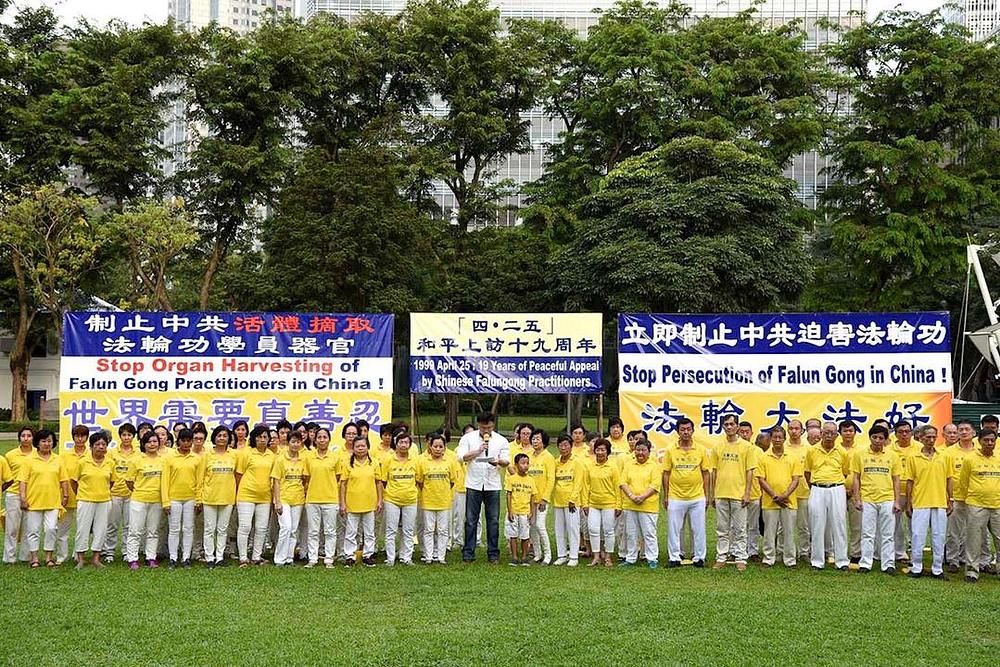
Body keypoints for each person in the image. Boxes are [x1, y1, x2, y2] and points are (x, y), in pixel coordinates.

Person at [455, 412, 509, 564]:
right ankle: (468, 553)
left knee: (493, 520)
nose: (487, 430)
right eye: (484, 427)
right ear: (478, 425)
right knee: (471, 520)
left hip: (492, 484)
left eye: (490, 427)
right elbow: (461, 457)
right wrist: (478, 450)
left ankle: (493, 553)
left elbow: (507, 461)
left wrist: (498, 461)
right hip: (473, 483)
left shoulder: (501, 440)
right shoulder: (468, 438)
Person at [851, 425, 901, 574]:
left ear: (886, 440)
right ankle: (865, 563)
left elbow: (896, 480)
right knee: (867, 533)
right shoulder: (860, 455)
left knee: (887, 533)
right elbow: (856, 478)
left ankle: (888, 564)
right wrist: (857, 498)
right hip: (867, 498)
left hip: (887, 498)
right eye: (875, 437)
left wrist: (897, 501)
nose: (878, 441)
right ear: (870, 437)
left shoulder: (892, 456)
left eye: (881, 438)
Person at [662, 417, 710, 567]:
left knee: (699, 529)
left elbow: (706, 473)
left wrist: (707, 495)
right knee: (674, 529)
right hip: (676, 496)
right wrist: (666, 495)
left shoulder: (701, 449)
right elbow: (666, 473)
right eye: (682, 429)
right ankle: (674, 557)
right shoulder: (670, 449)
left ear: (693, 431)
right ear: (677, 431)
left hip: (697, 496)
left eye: (689, 429)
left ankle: (699, 557)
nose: (686, 432)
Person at [906, 429, 954, 579]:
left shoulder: (944, 456)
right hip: (920, 502)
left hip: (940, 502)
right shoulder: (913, 457)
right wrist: (908, 502)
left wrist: (950, 499)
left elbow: (949, 479)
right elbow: (909, 481)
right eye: (928, 437)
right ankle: (916, 567)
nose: (931, 439)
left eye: (934, 437)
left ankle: (937, 569)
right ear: (920, 438)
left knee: (939, 536)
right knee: (917, 535)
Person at [711, 414, 756, 571]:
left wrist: (747, 493)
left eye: (732, 424)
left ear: (737, 426)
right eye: (726, 424)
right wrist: (712, 494)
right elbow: (714, 472)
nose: (729, 427)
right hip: (721, 493)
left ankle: (741, 557)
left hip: (739, 494)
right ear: (723, 426)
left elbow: (750, 471)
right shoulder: (717, 446)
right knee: (722, 528)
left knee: (740, 528)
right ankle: (721, 556)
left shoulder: (747, 447)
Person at [18, 429, 68, 567]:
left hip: (53, 501)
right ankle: (34, 558)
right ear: (37, 443)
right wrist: (23, 498)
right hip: (33, 501)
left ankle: (48, 557)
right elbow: (23, 481)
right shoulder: (29, 460)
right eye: (44, 441)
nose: (47, 444)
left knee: (51, 529)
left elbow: (64, 479)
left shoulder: (58, 459)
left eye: (50, 441)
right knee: (33, 530)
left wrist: (65, 495)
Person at [805, 421, 850, 571]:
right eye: (826, 433)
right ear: (821, 434)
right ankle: (817, 561)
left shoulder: (842, 452)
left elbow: (845, 471)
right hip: (817, 488)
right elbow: (807, 472)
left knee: (839, 524)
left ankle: (842, 560)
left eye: (832, 433)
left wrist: (834, 483)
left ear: (837, 435)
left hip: (837, 488)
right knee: (817, 524)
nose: (829, 436)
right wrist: (816, 485)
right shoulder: (812, 451)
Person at [757, 426, 801, 568]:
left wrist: (785, 495)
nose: (777, 440)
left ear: (784, 438)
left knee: (788, 532)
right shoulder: (763, 457)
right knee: (769, 532)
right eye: (774, 437)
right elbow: (761, 479)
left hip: (789, 501)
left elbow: (796, 479)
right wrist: (775, 496)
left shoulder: (793, 457)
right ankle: (769, 558)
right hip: (770, 501)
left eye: (780, 437)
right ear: (770, 439)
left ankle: (790, 560)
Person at [960, 428, 1000, 583]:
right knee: (974, 539)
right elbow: (963, 482)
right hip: (976, 505)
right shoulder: (970, 459)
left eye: (992, 440)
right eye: (986, 440)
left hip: (997, 504)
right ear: (979, 441)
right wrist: (969, 500)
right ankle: (972, 571)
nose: (989, 443)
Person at [71, 432, 115, 569]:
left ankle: (96, 558)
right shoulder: (83, 462)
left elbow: (111, 482)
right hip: (85, 500)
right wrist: (83, 494)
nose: (100, 447)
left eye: (103, 444)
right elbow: (74, 481)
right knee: (82, 529)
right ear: (91, 446)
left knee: (101, 530)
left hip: (104, 500)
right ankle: (80, 559)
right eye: (97, 444)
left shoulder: (110, 463)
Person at [235, 425, 275, 568]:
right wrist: (239, 492)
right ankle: (243, 557)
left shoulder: (272, 455)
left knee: (261, 527)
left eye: (265, 437)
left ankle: (257, 556)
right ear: (254, 438)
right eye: (259, 437)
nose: (262, 440)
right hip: (246, 495)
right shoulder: (246, 453)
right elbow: (238, 474)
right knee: (245, 527)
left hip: (265, 497)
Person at [339, 436, 382, 567]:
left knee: (369, 532)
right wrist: (342, 503)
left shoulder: (374, 463)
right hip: (352, 503)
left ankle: (368, 555)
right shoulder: (348, 464)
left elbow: (378, 482)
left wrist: (380, 500)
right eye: (357, 446)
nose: (360, 448)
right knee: (351, 532)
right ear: (353, 448)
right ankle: (350, 556)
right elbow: (343, 484)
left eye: (363, 446)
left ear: (367, 447)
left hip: (370, 503)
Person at [125, 431, 165, 570]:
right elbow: (129, 481)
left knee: (153, 531)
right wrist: (140, 491)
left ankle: (151, 557)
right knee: (135, 530)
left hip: (157, 500)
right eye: (149, 442)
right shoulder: (137, 460)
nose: (152, 444)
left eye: (155, 441)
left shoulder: (163, 460)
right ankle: (133, 559)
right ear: (143, 444)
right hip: (139, 499)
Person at [162, 428, 201, 569]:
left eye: (188, 441)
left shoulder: (197, 458)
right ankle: (173, 558)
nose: (186, 443)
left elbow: (199, 481)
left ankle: (186, 558)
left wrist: (199, 500)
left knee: (188, 528)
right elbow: (164, 481)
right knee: (174, 529)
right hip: (174, 498)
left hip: (190, 498)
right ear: (178, 441)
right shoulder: (169, 458)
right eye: (183, 440)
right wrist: (165, 501)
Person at [944, 420, 980, 573]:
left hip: (975, 498)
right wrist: (948, 497)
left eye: (967, 429)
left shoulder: (979, 450)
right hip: (956, 497)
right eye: (961, 430)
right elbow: (945, 476)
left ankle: (967, 558)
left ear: (974, 433)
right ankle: (953, 559)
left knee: (973, 530)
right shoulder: (949, 452)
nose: (964, 432)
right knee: (954, 530)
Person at [199, 425, 237, 568]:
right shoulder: (207, 455)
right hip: (210, 497)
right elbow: (200, 478)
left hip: (227, 497)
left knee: (222, 529)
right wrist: (199, 498)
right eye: (219, 435)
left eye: (225, 436)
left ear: (229, 438)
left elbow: (236, 475)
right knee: (209, 529)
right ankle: (209, 557)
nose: (222, 438)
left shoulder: (234, 455)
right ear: (214, 437)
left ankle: (219, 557)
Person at [620, 439, 661, 569]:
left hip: (648, 505)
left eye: (643, 450)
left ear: (649, 452)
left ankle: (652, 558)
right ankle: (631, 558)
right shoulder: (629, 464)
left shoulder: (654, 466)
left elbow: (655, 485)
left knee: (648, 533)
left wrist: (642, 497)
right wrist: (632, 496)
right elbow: (623, 482)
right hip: (630, 504)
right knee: (631, 533)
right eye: (638, 450)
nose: (640, 453)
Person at [417, 433, 457, 564]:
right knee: (428, 529)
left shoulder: (450, 462)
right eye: (435, 446)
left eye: (441, 446)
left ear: (445, 448)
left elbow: (451, 481)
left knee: (443, 530)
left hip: (444, 501)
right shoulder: (422, 461)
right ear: (430, 446)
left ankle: (441, 556)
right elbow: (420, 481)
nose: (438, 449)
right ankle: (428, 556)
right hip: (428, 501)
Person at [302, 427, 340, 569]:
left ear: (329, 440)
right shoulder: (309, 457)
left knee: (330, 531)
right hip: (312, 499)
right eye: (319, 437)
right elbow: (306, 478)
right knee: (313, 531)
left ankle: (328, 558)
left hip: (330, 499)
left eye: (325, 437)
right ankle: (312, 558)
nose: (322, 440)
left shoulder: (335, 457)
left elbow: (337, 477)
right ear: (315, 440)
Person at [381, 432, 419, 566]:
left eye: (406, 443)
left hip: (410, 500)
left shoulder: (415, 460)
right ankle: (390, 558)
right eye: (401, 442)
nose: (403, 445)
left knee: (408, 530)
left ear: (410, 445)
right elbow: (383, 480)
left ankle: (406, 557)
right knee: (391, 530)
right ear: (396, 444)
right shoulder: (388, 459)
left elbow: (418, 479)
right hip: (392, 499)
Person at [581, 439, 620, 567]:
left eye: (603, 450)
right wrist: (585, 504)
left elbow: (617, 487)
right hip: (593, 504)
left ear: (608, 452)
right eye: (598, 449)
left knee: (608, 531)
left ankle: (608, 557)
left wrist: (618, 505)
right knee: (593, 529)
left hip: (609, 503)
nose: (600, 452)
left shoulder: (613, 467)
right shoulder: (589, 466)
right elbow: (585, 486)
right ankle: (596, 556)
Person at [271, 432, 306, 567]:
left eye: (298, 442)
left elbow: (305, 479)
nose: (295, 444)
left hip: (298, 499)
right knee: (286, 527)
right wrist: (277, 501)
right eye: (293, 441)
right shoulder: (280, 459)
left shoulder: (303, 459)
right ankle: (279, 558)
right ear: (288, 443)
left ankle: (289, 557)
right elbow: (276, 481)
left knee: (294, 529)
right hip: (283, 499)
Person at [103, 423, 137, 563]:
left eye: (129, 435)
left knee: (129, 525)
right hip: (115, 493)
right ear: (120, 436)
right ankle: (109, 552)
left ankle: (126, 551)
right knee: (112, 524)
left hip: (131, 494)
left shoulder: (138, 453)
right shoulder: (111, 453)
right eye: (124, 434)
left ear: (133, 436)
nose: (126, 437)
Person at [58, 424, 91, 565]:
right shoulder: (64, 456)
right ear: (73, 437)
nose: (80, 438)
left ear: (87, 437)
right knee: (63, 529)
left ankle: (78, 554)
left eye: (82, 435)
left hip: (86, 496)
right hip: (67, 496)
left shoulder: (91, 454)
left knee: (82, 528)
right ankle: (61, 556)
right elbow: (61, 476)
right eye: (77, 435)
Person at [4, 426, 35, 564]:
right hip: (13, 494)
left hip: (32, 495)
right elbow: (6, 476)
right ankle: (9, 557)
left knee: (30, 527)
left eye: (29, 435)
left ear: (33, 438)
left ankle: (25, 556)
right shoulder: (10, 455)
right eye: (23, 435)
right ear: (19, 437)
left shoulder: (37, 454)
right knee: (12, 528)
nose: (26, 438)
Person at [551, 434, 583, 567]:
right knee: (559, 529)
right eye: (561, 445)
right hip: (558, 501)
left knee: (573, 528)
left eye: (566, 445)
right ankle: (562, 554)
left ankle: (574, 556)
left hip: (572, 503)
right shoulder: (556, 461)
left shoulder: (577, 462)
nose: (563, 448)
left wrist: (573, 499)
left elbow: (578, 482)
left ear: (571, 446)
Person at [891, 419, 917, 564]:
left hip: (916, 492)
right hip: (896, 492)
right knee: (896, 524)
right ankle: (899, 552)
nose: (904, 435)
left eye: (907, 432)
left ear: (911, 433)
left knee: (915, 524)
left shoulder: (919, 447)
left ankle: (915, 552)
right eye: (901, 432)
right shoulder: (889, 450)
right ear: (895, 434)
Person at [528, 428, 556, 564]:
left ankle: (548, 555)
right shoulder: (529, 456)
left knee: (540, 525)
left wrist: (545, 498)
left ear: (544, 441)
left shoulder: (548, 457)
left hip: (542, 500)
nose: (535, 441)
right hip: (530, 499)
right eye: (533, 439)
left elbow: (551, 479)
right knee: (532, 525)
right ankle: (537, 554)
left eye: (537, 439)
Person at [505, 453, 539, 566]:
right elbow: (509, 495)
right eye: (523, 463)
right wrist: (510, 511)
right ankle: (514, 557)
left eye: (527, 463)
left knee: (525, 535)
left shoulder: (531, 480)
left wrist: (531, 512)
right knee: (513, 535)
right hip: (514, 511)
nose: (525, 466)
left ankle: (524, 557)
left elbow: (532, 497)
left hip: (525, 512)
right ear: (516, 465)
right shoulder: (511, 479)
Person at [786, 419, 811, 561]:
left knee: (803, 525)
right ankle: (783, 550)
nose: (794, 431)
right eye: (791, 428)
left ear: (802, 431)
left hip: (804, 492)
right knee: (784, 527)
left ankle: (804, 552)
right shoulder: (782, 446)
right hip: (787, 493)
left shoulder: (808, 448)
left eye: (797, 428)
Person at [838, 420, 862, 563]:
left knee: (857, 525)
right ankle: (837, 552)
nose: (848, 433)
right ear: (839, 433)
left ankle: (856, 553)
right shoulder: (834, 448)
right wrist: (842, 488)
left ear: (855, 432)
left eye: (851, 431)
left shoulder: (862, 449)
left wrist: (853, 490)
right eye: (845, 431)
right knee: (837, 524)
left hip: (856, 493)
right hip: (837, 491)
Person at [450, 425, 473, 552]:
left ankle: (477, 539)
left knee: (476, 516)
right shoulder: (458, 450)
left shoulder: (478, 449)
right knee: (459, 516)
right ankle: (458, 540)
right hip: (461, 487)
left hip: (475, 486)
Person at [746, 432, 768, 562]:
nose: (744, 434)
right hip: (736, 493)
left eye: (746, 432)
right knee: (736, 526)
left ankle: (752, 551)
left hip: (755, 493)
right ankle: (736, 550)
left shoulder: (758, 452)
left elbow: (763, 474)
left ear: (751, 434)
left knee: (753, 525)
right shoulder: (733, 448)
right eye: (741, 432)